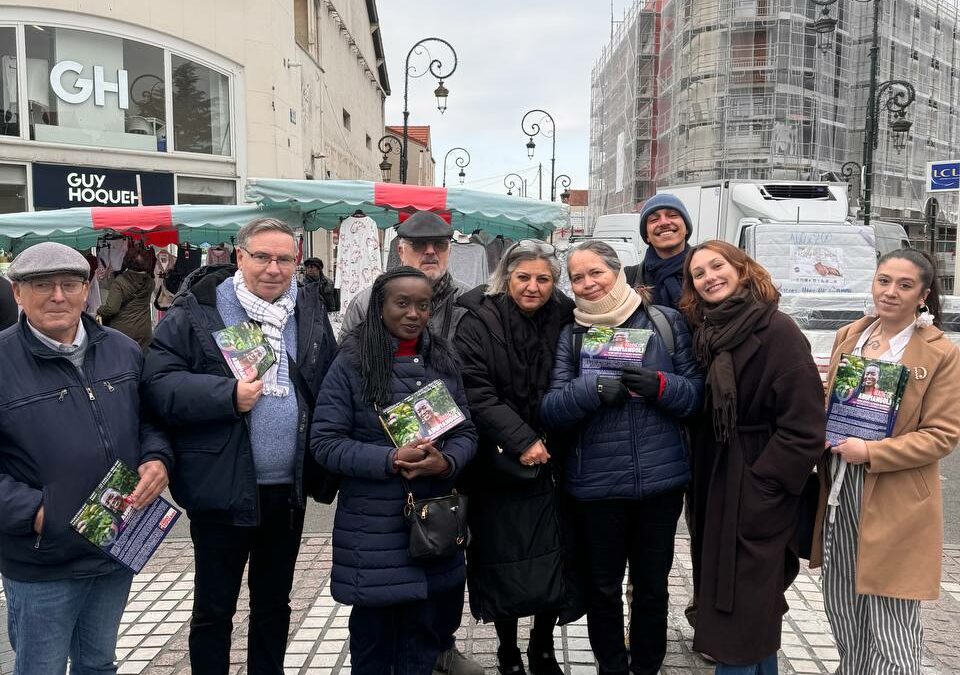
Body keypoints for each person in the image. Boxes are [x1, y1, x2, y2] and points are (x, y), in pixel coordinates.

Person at [141, 218, 337, 675]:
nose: (273, 268)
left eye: (284, 258)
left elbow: (328, 378)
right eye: (262, 257)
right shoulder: (199, 309)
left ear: (297, 261)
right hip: (222, 485)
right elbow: (158, 385)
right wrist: (225, 395)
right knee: (215, 608)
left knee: (274, 603)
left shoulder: (308, 309)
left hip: (287, 489)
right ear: (240, 256)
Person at [0, 242, 171, 675]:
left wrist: (156, 459)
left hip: (115, 544)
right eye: (42, 285)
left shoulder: (122, 349)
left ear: (88, 288)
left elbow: (149, 421)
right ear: (18, 292)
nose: (58, 296)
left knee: (99, 663)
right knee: (42, 667)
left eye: (70, 283)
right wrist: (39, 513)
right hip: (43, 555)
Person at [541, 240, 703, 675]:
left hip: (660, 481)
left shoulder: (664, 322)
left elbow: (697, 397)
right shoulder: (571, 335)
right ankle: (611, 666)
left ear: (617, 272)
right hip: (596, 485)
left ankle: (648, 666)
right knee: (603, 587)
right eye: (577, 278)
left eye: (596, 273)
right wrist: (588, 390)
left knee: (652, 587)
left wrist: (661, 386)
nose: (588, 284)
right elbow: (552, 410)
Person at [310, 266, 477, 675]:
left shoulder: (443, 360)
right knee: (373, 643)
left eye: (423, 305)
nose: (413, 313)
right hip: (372, 527)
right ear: (379, 306)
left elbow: (466, 431)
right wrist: (388, 459)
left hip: (433, 521)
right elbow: (325, 443)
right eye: (402, 303)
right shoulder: (351, 362)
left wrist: (448, 461)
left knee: (422, 641)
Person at [810, 249, 960, 675]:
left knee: (891, 614)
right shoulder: (850, 335)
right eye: (883, 281)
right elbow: (833, 403)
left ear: (923, 296)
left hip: (893, 493)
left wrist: (872, 452)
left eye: (904, 285)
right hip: (839, 482)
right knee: (841, 600)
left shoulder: (940, 353)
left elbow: (943, 435)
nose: (890, 292)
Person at [679, 240, 825, 674]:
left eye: (717, 266)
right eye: (698, 273)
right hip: (716, 479)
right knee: (747, 605)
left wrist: (763, 486)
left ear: (742, 269)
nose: (709, 277)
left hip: (756, 481)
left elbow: (804, 428)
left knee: (740, 605)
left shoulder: (777, 330)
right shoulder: (707, 333)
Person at [454, 240, 576, 675]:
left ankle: (543, 646)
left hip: (557, 455)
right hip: (498, 459)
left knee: (553, 553)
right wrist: (522, 438)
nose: (533, 286)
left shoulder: (567, 316)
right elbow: (475, 389)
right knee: (502, 556)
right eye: (523, 277)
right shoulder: (479, 320)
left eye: (543, 279)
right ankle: (508, 650)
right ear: (506, 277)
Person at [340, 210, 471, 342]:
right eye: (419, 244)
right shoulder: (367, 303)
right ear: (401, 252)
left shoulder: (469, 304)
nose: (430, 251)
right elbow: (346, 358)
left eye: (440, 244)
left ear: (449, 251)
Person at [623, 193, 693, 309]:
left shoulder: (706, 273)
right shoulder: (628, 278)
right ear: (647, 237)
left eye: (673, 215)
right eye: (654, 219)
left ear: (687, 229)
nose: (664, 222)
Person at [96, 247, 156, 350]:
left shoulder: (120, 282)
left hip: (122, 331)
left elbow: (111, 308)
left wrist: (99, 310)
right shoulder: (150, 282)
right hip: (144, 331)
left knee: (124, 362)